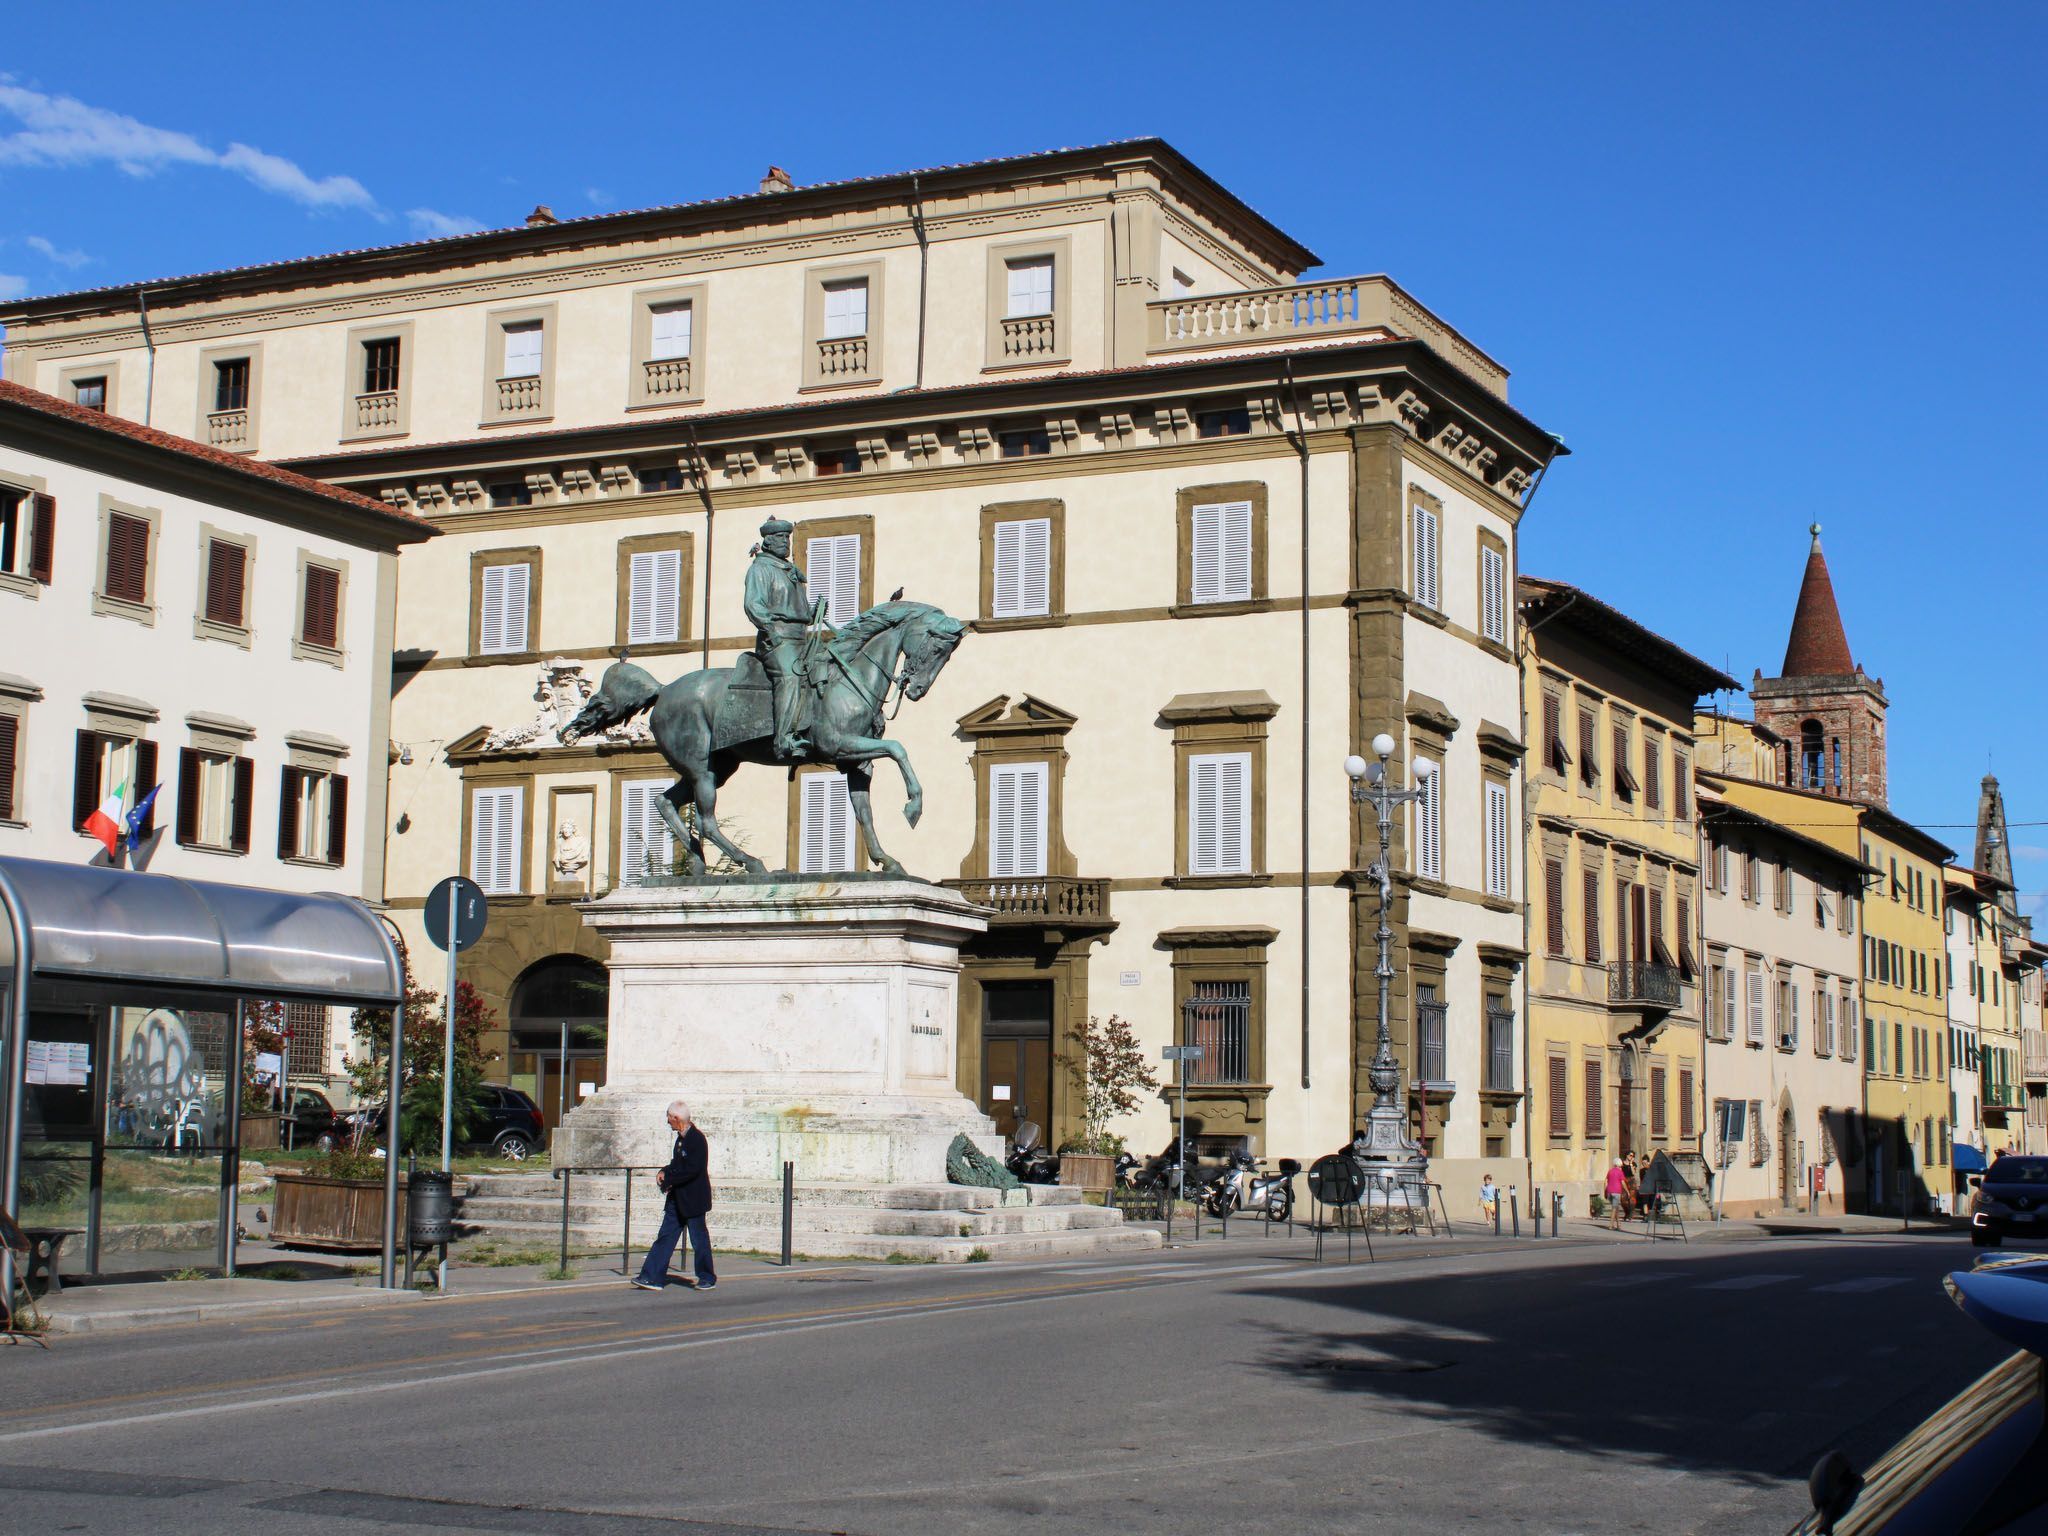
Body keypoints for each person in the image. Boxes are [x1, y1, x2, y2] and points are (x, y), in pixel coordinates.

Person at [743, 517, 817, 760]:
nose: (786, 542)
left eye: (788, 537)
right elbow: (753, 605)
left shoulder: (790, 572)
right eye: (781, 538)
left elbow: (797, 609)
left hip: (800, 638)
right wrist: (771, 629)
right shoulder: (760, 569)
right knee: (791, 676)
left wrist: (812, 613)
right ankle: (784, 739)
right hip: (776, 640)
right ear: (768, 541)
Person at [631, 1100, 716, 1292]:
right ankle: (651, 1276)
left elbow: (692, 1169)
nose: (667, 1121)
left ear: (676, 1118)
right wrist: (665, 1171)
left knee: (699, 1240)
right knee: (665, 1238)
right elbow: (677, 1163)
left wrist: (669, 1178)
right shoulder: (681, 1139)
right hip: (677, 1200)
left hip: (693, 1200)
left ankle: (707, 1277)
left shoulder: (696, 1139)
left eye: (669, 1117)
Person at [1604, 1157, 1627, 1230]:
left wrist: (1605, 1191)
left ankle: (1618, 1224)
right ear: (1619, 1165)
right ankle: (1611, 1225)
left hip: (1609, 1191)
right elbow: (1623, 1183)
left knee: (1616, 1207)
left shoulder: (1610, 1171)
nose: (1621, 1167)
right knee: (1614, 1208)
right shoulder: (1620, 1172)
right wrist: (1627, 1191)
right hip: (1616, 1192)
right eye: (1621, 1166)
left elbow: (1605, 1182)